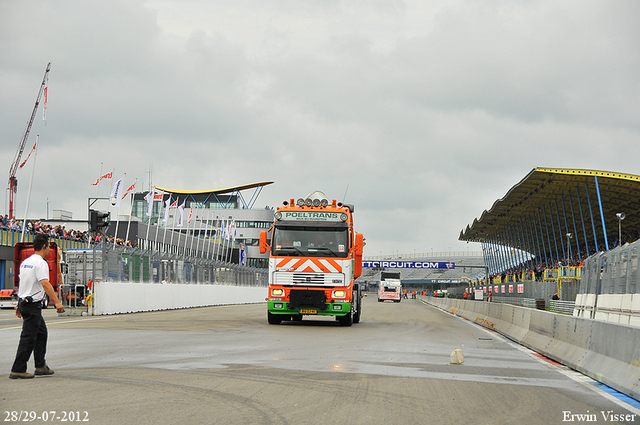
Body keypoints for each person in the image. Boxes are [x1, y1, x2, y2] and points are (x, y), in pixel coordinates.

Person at [9, 234, 65, 379]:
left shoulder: (26, 262)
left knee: (41, 334)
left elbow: (23, 284)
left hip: (25, 301)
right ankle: (18, 368)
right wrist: (57, 302)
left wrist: (19, 304)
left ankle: (40, 366)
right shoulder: (41, 263)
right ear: (45, 246)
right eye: (48, 247)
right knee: (28, 337)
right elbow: (45, 283)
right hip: (32, 304)